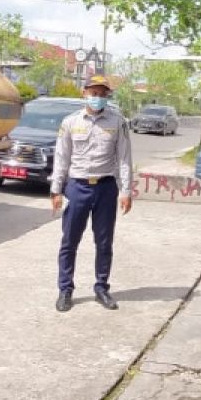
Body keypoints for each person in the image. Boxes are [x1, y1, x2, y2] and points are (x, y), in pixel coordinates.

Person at [50, 73, 133, 312]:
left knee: (104, 242)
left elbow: (124, 158)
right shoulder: (70, 122)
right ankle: (65, 290)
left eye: (102, 94)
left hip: (106, 187)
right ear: (84, 93)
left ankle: (101, 288)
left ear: (107, 96)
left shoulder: (118, 122)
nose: (97, 97)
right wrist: (56, 190)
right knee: (69, 241)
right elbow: (61, 158)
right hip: (77, 187)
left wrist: (126, 190)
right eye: (93, 93)